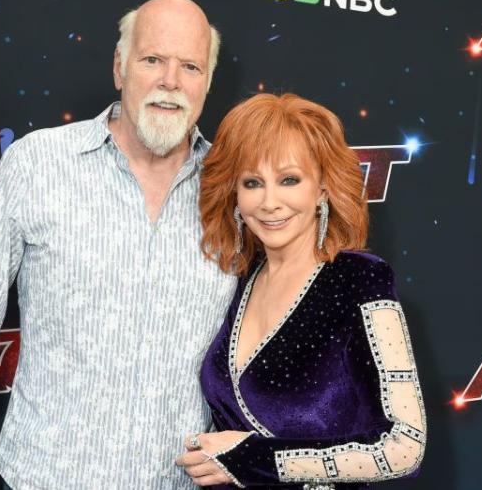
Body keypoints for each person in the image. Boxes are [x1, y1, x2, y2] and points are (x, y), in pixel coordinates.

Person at [0, 0, 236, 490]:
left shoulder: (236, 190)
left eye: (189, 66)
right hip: (44, 478)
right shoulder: (38, 164)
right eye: (152, 60)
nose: (170, 81)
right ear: (119, 67)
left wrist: (251, 450)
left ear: (207, 83)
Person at [176, 93, 426, 488]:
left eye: (289, 180)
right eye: (253, 183)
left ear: (322, 189)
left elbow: (404, 445)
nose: (270, 202)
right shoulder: (238, 280)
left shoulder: (360, 280)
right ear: (236, 196)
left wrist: (256, 459)